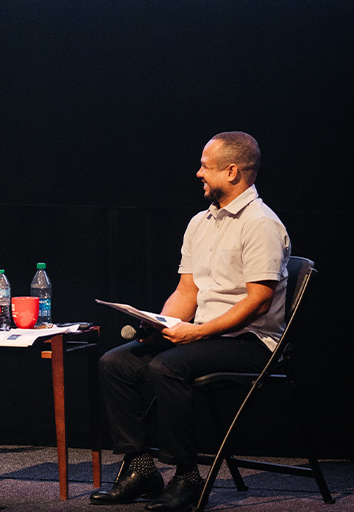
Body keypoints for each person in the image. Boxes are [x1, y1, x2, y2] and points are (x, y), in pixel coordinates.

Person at [90, 132, 291, 511]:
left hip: (251, 343)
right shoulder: (201, 222)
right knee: (117, 362)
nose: (198, 173)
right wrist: (161, 322)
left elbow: (259, 303)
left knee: (167, 367)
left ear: (232, 172)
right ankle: (140, 468)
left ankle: (187, 478)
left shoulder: (261, 224)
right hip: (206, 336)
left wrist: (197, 332)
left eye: (205, 166)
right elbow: (187, 292)